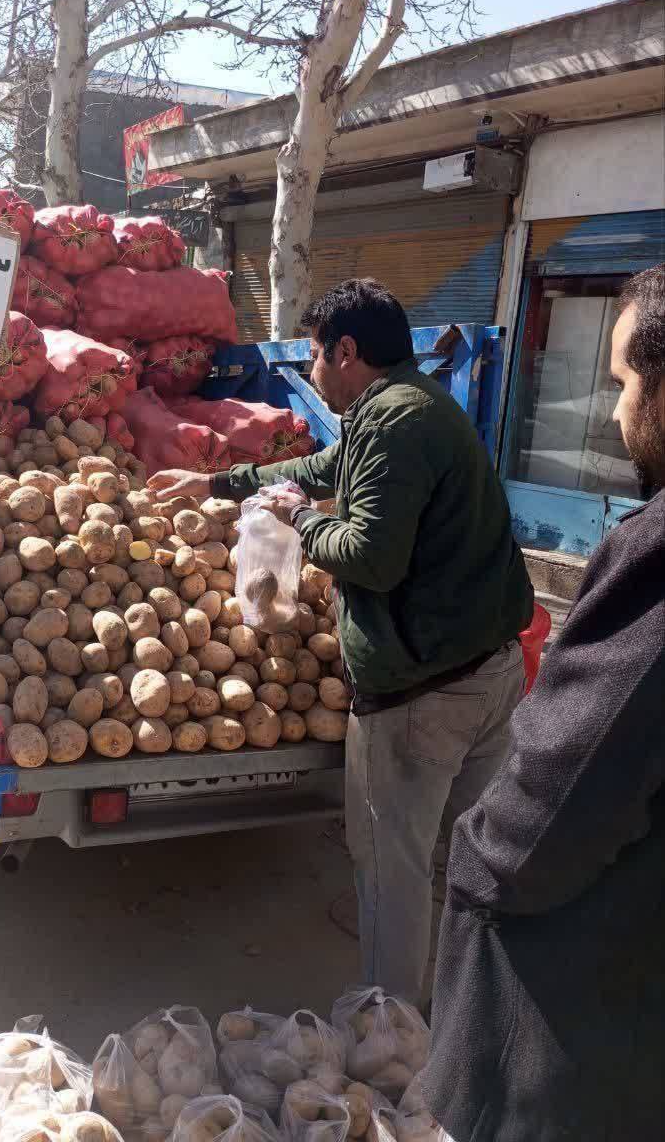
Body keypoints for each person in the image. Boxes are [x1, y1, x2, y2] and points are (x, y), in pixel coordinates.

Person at [149, 280, 534, 1005]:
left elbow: (370, 558)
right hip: (489, 672)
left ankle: (389, 1035)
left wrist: (300, 522)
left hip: (426, 691)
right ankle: (467, 1012)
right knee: (466, 856)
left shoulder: (392, 423)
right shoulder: (413, 405)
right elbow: (321, 471)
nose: (314, 371)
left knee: (392, 865)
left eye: (317, 355)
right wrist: (217, 484)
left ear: (346, 351)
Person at [420, 264, 665, 1142]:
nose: (612, 412)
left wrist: (473, 866)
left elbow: (555, 804)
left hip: (595, 1032)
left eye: (626, 382)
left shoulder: (655, 556)